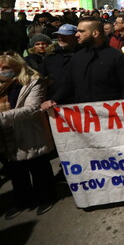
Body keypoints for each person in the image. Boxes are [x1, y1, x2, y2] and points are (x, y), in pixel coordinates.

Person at [0, 52, 56, 218]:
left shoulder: (32, 82)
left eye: (6, 68)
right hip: (5, 137)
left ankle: (46, 197)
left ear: (17, 68)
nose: (1, 71)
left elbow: (32, 108)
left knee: (38, 167)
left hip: (29, 132)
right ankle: (22, 200)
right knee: (16, 171)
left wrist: (2, 117)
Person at [40, 17, 124, 106]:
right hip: (85, 114)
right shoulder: (77, 57)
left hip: (110, 115)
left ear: (95, 33)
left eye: (81, 31)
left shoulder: (116, 57)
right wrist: (54, 99)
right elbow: (69, 83)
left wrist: (122, 109)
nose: (77, 34)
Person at [39, 24, 80, 102]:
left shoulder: (83, 54)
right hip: (52, 99)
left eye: (65, 36)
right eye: (59, 35)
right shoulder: (51, 55)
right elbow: (41, 72)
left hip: (75, 100)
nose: (61, 38)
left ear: (75, 36)